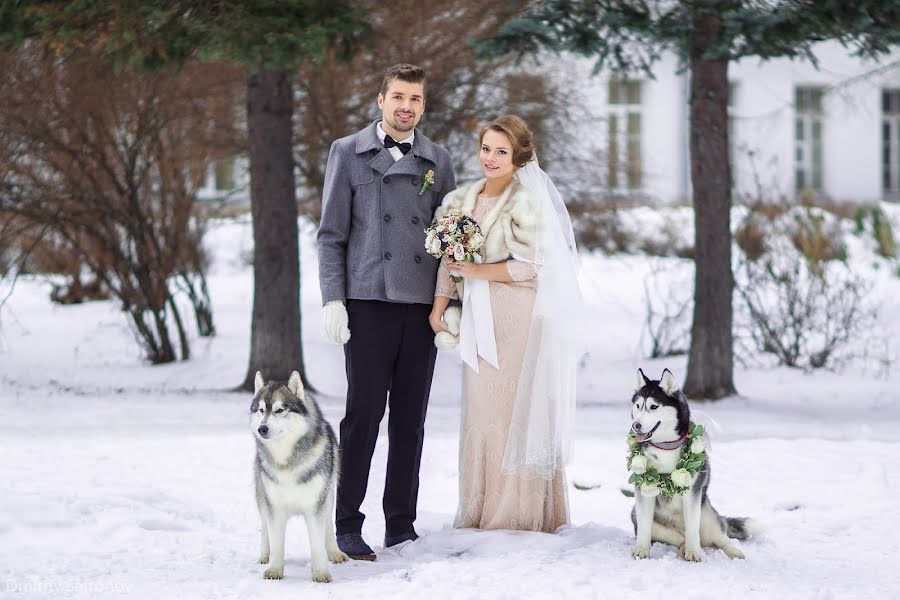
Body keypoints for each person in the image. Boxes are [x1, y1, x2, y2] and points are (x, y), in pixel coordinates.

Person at [317, 63, 456, 559]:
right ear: (381, 100)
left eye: (415, 99)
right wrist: (334, 299)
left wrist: (449, 305)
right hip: (370, 302)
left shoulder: (437, 160)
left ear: (422, 105)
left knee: (410, 422)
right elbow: (331, 235)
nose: (406, 106)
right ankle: (347, 523)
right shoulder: (347, 153)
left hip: (420, 309)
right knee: (362, 418)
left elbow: (451, 242)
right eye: (398, 96)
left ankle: (401, 523)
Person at [429, 115, 582, 533]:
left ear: (517, 158)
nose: (491, 158)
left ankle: (517, 513)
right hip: (477, 319)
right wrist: (440, 304)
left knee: (514, 411)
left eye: (501, 151)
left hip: (516, 318)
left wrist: (478, 273)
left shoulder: (526, 202)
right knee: (481, 411)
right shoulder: (460, 199)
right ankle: (479, 509)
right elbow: (449, 257)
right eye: (486, 148)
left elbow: (533, 267)